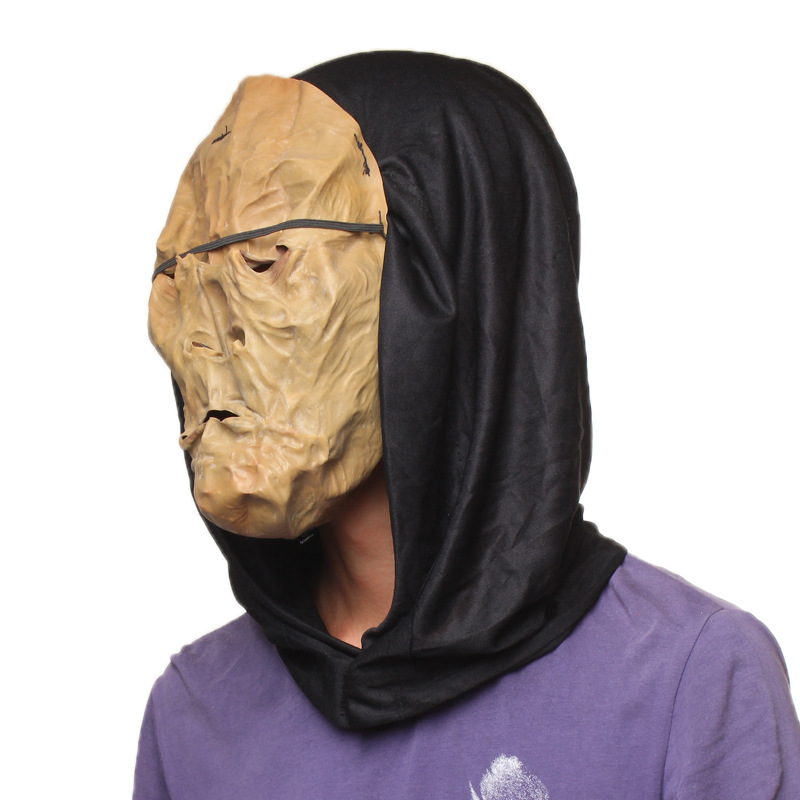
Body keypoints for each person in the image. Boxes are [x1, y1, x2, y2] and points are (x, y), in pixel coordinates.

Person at [135, 52, 800, 799]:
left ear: (461, 272)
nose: (199, 338)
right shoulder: (194, 714)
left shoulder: (689, 681)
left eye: (265, 262)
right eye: (179, 278)